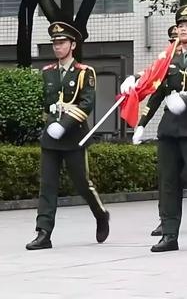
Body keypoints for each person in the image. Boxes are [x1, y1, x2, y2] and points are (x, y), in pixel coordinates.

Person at [124, 5, 187, 252]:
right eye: (180, 25)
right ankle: (169, 235)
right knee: (168, 181)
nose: (183, 29)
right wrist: (136, 84)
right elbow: (156, 88)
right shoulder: (169, 56)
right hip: (169, 126)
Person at [26, 22, 109, 250]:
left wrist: (64, 124)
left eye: (62, 42)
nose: (57, 46)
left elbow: (87, 104)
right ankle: (44, 233)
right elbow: (46, 103)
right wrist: (50, 121)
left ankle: (101, 214)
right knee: (48, 185)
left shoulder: (84, 72)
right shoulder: (48, 73)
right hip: (51, 138)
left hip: (73, 137)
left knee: (82, 183)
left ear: (72, 45)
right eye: (55, 43)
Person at [138, 24, 180, 238]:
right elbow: (155, 97)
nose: (175, 43)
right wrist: (141, 123)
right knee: (166, 178)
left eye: (178, 38)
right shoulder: (166, 66)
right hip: (171, 124)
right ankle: (165, 220)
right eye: (172, 40)